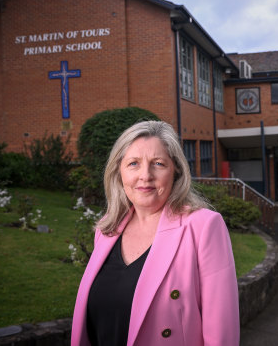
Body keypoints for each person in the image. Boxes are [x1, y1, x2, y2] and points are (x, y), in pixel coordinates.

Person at [71, 120, 239, 346]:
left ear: (176, 169)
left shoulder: (204, 227)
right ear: (118, 171)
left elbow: (221, 334)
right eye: (133, 164)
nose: (145, 175)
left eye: (158, 163)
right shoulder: (106, 231)